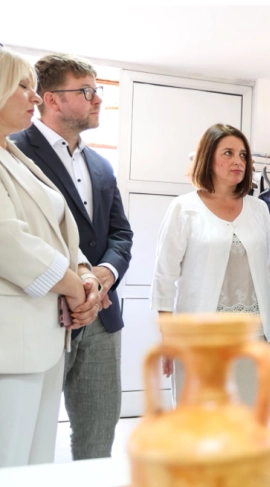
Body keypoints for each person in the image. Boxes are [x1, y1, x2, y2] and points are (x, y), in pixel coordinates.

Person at [11, 53, 133, 460]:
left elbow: (120, 233)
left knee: (99, 431)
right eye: (86, 91)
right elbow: (21, 237)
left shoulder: (101, 165)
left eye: (97, 90)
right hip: (41, 310)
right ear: (52, 99)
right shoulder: (14, 150)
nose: (97, 99)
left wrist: (103, 276)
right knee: (29, 436)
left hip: (101, 314)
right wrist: (76, 283)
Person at [0, 47, 100, 467]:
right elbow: (9, 241)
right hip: (11, 342)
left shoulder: (14, 155)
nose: (35, 96)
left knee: (35, 461)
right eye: (23, 86)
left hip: (43, 337)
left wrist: (86, 273)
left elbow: (57, 231)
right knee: (9, 461)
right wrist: (76, 286)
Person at [150, 123, 270, 406]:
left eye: (243, 155)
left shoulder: (259, 209)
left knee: (246, 418)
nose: (238, 161)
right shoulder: (184, 208)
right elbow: (164, 276)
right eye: (228, 153)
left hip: (252, 335)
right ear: (208, 158)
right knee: (198, 419)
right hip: (199, 337)